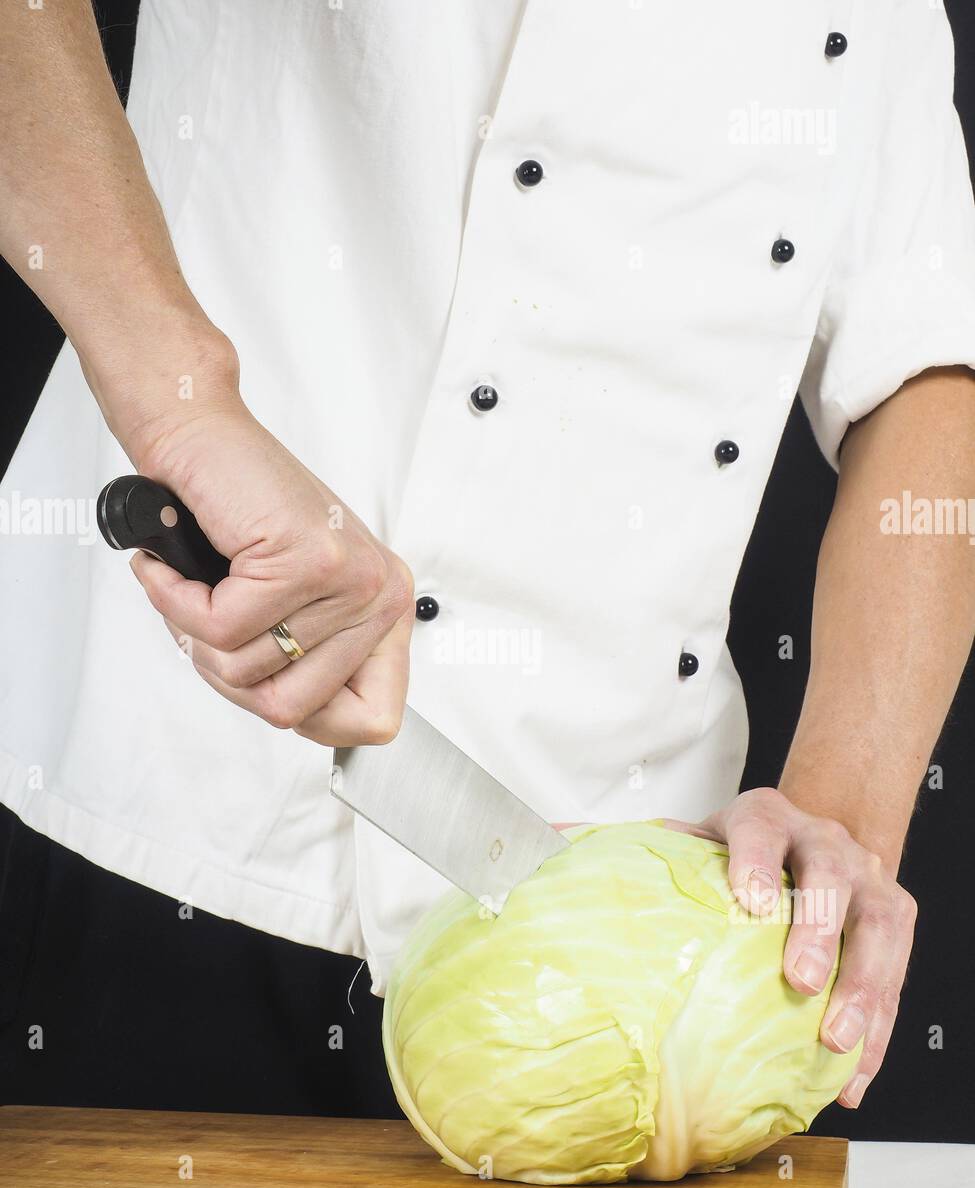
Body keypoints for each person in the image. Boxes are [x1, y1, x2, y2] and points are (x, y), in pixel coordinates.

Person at [2, 1, 974, 1118]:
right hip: (160, 812)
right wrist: (183, 408)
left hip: (623, 977)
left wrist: (837, 833)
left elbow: (923, 358)